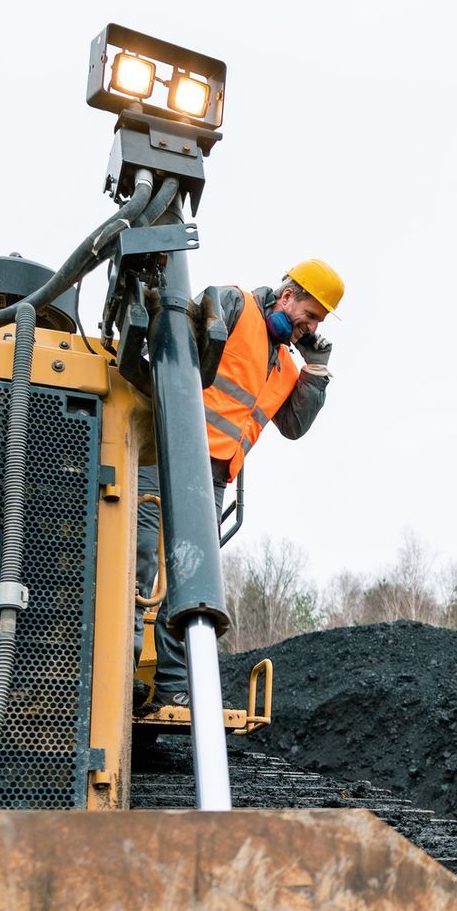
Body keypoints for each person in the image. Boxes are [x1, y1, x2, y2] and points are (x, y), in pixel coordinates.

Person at [135, 259, 345, 708]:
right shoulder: (233, 305)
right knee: (139, 560)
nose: (307, 330)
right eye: (308, 317)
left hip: (211, 479)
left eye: (315, 326)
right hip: (163, 450)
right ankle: (119, 673)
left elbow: (293, 425)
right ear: (288, 296)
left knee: (191, 580)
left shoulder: (289, 367)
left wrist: (317, 372)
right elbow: (173, 344)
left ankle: (173, 685)